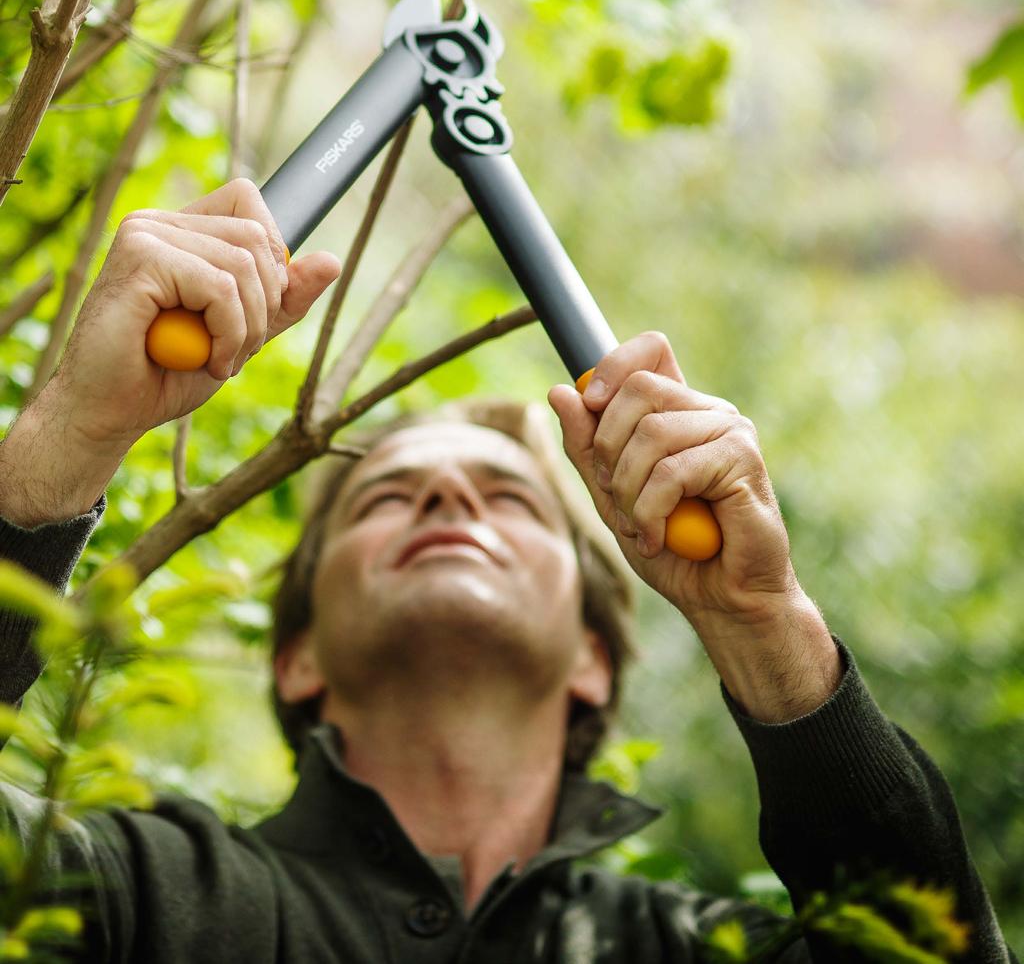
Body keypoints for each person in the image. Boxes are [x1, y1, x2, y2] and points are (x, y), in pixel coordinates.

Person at [0, 179, 1013, 962]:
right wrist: (65, 435)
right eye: (391, 497)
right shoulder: (132, 901)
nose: (448, 499)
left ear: (591, 657)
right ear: (299, 656)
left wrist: (762, 619)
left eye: (510, 499)